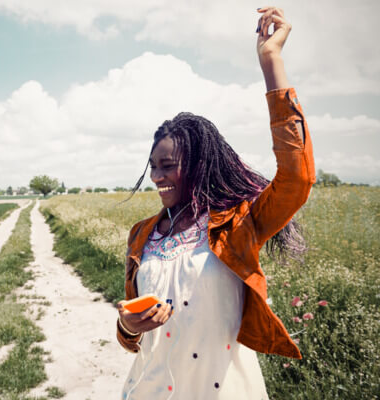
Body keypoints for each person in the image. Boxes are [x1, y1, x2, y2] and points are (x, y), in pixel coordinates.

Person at [115, 7, 315, 399]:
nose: (157, 177)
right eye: (152, 166)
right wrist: (129, 327)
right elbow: (129, 335)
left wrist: (271, 62)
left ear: (200, 166)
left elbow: (298, 177)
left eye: (168, 166)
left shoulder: (239, 225)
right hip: (149, 390)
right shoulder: (142, 235)